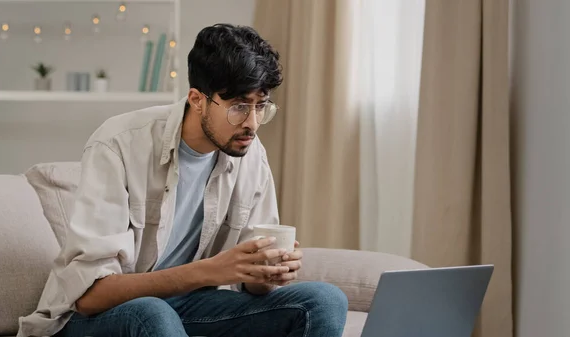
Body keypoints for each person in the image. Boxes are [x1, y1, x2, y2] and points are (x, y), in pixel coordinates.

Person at [17, 24, 348, 337]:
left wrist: (266, 273)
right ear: (197, 99)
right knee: (150, 314)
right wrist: (210, 271)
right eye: (238, 107)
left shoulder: (249, 152)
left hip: (185, 305)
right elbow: (90, 296)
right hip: (94, 318)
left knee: (321, 301)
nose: (253, 123)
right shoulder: (119, 143)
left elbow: (252, 286)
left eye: (261, 107)